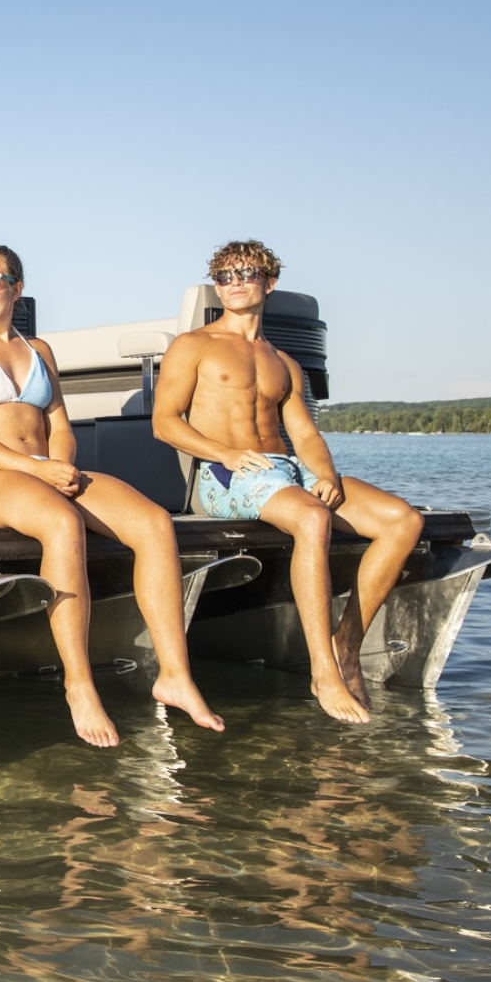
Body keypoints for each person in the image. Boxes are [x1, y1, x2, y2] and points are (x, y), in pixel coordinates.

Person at [0, 244, 223, 747]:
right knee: (62, 524)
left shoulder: (39, 350)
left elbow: (60, 424)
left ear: (16, 288)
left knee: (153, 522)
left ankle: (175, 675)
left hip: (43, 471)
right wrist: (36, 469)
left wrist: (59, 466)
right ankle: (80, 685)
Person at [152, 239, 423, 724]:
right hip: (226, 474)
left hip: (288, 470)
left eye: (246, 274)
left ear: (269, 283)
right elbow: (164, 423)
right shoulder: (193, 346)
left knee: (403, 521)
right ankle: (323, 672)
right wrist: (225, 453)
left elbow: (305, 434)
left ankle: (346, 643)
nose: (234, 283)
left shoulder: (285, 362)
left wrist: (327, 474)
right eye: (225, 276)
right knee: (314, 518)